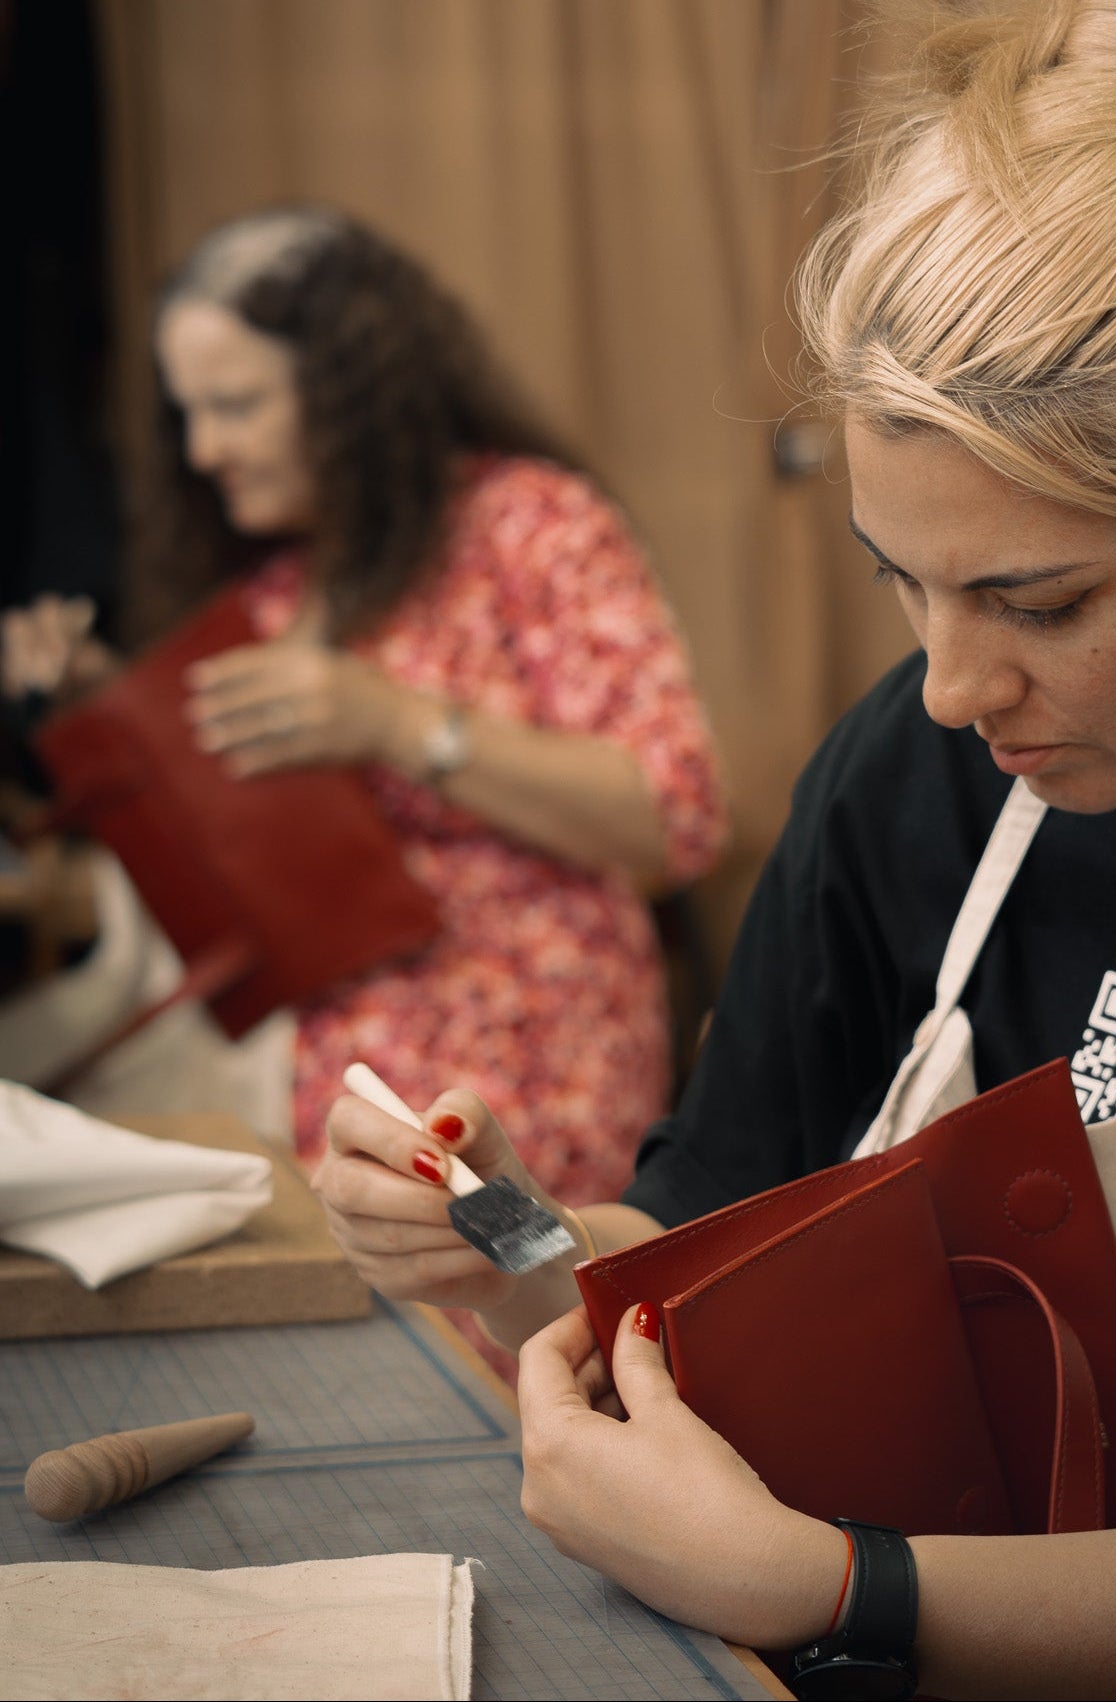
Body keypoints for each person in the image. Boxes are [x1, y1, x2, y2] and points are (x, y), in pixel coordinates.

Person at [310, 1, 1116, 1694]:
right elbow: (695, 1248)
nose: (950, 686)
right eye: (902, 577)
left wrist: (843, 1588)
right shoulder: (905, 772)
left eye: (1041, 601)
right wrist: (495, 1231)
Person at [1, 206, 729, 1214]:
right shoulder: (273, 589)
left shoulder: (529, 525)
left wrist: (394, 724)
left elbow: (673, 815)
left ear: (348, 391)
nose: (205, 449)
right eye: (187, 416)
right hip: (315, 1072)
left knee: (508, 1324)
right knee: (357, 1355)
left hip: (525, 1069)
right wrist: (112, 709)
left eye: (237, 406)